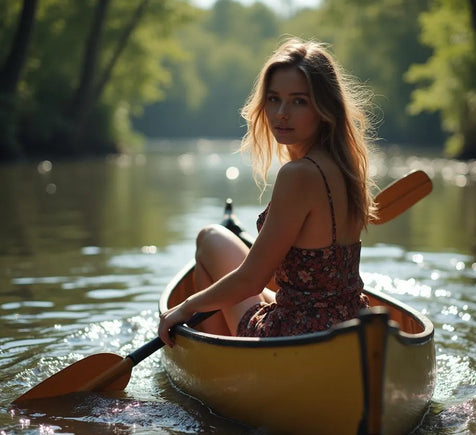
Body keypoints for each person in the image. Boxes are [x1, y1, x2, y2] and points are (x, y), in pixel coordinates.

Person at [158, 37, 376, 346]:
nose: (281, 113)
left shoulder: (299, 174)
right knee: (231, 261)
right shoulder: (348, 167)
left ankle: (222, 364)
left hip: (296, 335)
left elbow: (251, 280)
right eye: (274, 99)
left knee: (210, 239)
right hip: (349, 324)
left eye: (299, 101)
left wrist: (185, 308)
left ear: (324, 108)